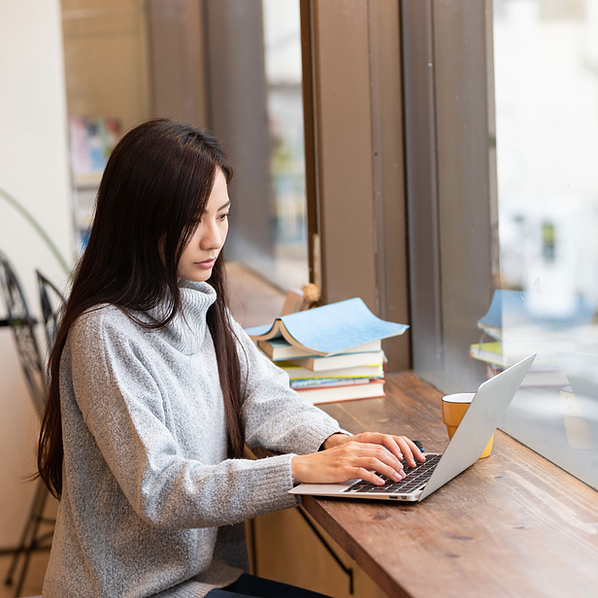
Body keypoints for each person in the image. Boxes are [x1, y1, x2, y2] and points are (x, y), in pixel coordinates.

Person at [37, 119, 425, 598]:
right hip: (131, 590)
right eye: (190, 221)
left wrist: (334, 442)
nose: (212, 238)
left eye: (222, 215)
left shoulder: (198, 301)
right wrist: (298, 470)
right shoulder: (104, 332)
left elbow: (266, 397)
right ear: (139, 220)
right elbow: (158, 488)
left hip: (194, 576)